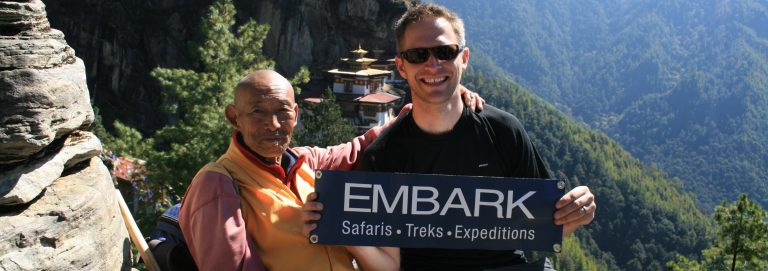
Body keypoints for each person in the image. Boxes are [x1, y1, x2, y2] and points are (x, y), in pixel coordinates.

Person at [303, 3, 596, 271]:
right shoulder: (383, 154)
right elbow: (388, 266)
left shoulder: (504, 132)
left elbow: (545, 225)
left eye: (445, 52)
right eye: (419, 55)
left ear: (464, 58)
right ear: (401, 66)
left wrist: (574, 212)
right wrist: (340, 226)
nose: (433, 65)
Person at [178, 69, 485, 271]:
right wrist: (296, 224)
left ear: (296, 114)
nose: (273, 125)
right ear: (234, 118)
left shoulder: (304, 162)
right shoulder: (219, 183)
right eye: (258, 112)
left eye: (283, 112)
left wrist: (433, 105)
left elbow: (363, 147)